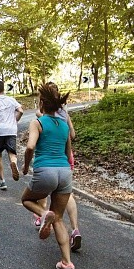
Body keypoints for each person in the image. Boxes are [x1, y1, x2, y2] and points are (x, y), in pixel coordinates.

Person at [21, 82, 76, 269]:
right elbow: (69, 154)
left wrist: (26, 166)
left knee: (26, 199)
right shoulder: (63, 125)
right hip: (64, 172)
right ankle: (67, 263)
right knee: (59, 218)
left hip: (46, 170)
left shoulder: (38, 122)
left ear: (42, 103)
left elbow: (30, 147)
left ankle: (43, 214)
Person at [32, 83, 82, 251]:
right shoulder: (64, 114)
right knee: (68, 195)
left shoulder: (42, 115)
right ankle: (75, 229)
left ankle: (42, 214)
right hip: (65, 159)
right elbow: (72, 135)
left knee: (44, 190)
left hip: (48, 160)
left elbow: (35, 140)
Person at [0, 80, 23, 190]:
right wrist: (14, 121)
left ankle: (2, 182)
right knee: (12, 153)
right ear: (3, 89)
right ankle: (13, 163)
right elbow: (21, 111)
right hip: (11, 130)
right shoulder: (11, 100)